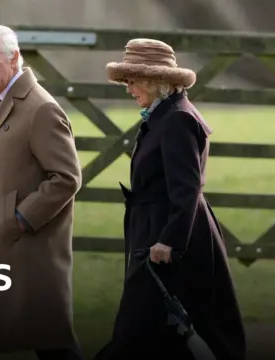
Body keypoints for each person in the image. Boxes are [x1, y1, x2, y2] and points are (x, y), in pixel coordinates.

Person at [94, 38, 247, 360]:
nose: (128, 88)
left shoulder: (177, 119)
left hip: (166, 238)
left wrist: (169, 242)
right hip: (156, 231)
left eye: (132, 80)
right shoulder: (163, 114)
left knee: (138, 330)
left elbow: (187, 187)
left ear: (154, 80)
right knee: (160, 332)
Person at [0, 24, 84, 360]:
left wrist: (21, 218)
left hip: (26, 251)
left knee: (51, 342)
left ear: (14, 57)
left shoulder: (41, 108)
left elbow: (67, 177)